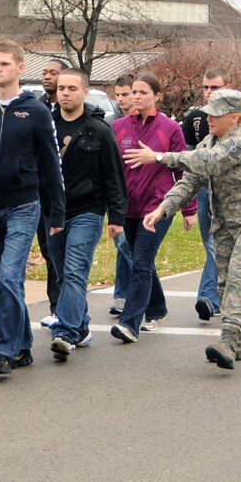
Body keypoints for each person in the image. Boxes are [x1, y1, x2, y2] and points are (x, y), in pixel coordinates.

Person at [126, 89, 241, 369]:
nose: (208, 117)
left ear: (234, 117)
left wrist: (161, 158)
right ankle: (237, 341)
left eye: (216, 113)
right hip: (224, 221)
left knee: (238, 277)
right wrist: (162, 209)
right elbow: (190, 180)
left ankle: (227, 340)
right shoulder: (209, 141)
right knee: (223, 282)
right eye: (208, 111)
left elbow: (208, 162)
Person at [0, 41, 65, 375]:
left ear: (20, 69)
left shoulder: (35, 111)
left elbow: (51, 163)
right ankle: (22, 346)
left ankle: (4, 350)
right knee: (1, 282)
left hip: (23, 207)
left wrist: (57, 211)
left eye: (4, 64)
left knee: (9, 277)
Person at [46, 68, 127, 361]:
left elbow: (114, 177)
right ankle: (81, 327)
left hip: (88, 210)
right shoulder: (47, 125)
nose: (65, 93)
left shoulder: (100, 130)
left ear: (85, 92)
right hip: (52, 213)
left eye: (71, 88)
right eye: (61, 88)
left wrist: (117, 217)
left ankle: (65, 333)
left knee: (75, 271)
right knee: (60, 270)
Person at [110, 72, 195, 344]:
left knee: (142, 262)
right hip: (128, 207)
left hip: (158, 207)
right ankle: (157, 308)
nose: (136, 96)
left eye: (143, 92)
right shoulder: (120, 126)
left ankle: (129, 324)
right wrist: (113, 207)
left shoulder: (170, 128)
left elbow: (184, 169)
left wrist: (189, 209)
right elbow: (112, 170)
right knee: (138, 260)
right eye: (134, 91)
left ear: (157, 96)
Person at [181, 67, 230, 321]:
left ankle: (209, 298)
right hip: (203, 190)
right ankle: (220, 293)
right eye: (205, 88)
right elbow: (189, 160)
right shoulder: (195, 119)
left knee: (216, 245)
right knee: (211, 245)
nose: (209, 93)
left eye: (215, 88)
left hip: (231, 192)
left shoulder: (239, 118)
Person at [37, 58, 69, 327]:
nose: (48, 77)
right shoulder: (37, 107)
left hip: (69, 194)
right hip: (39, 193)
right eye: (45, 73)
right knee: (49, 252)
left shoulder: (70, 112)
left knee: (64, 255)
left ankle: (65, 308)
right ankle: (55, 306)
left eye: (54, 73)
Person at [109, 74, 135, 317]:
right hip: (118, 195)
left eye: (125, 94)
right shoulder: (111, 122)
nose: (121, 100)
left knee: (131, 247)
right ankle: (121, 294)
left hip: (142, 196)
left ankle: (131, 294)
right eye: (117, 95)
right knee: (123, 245)